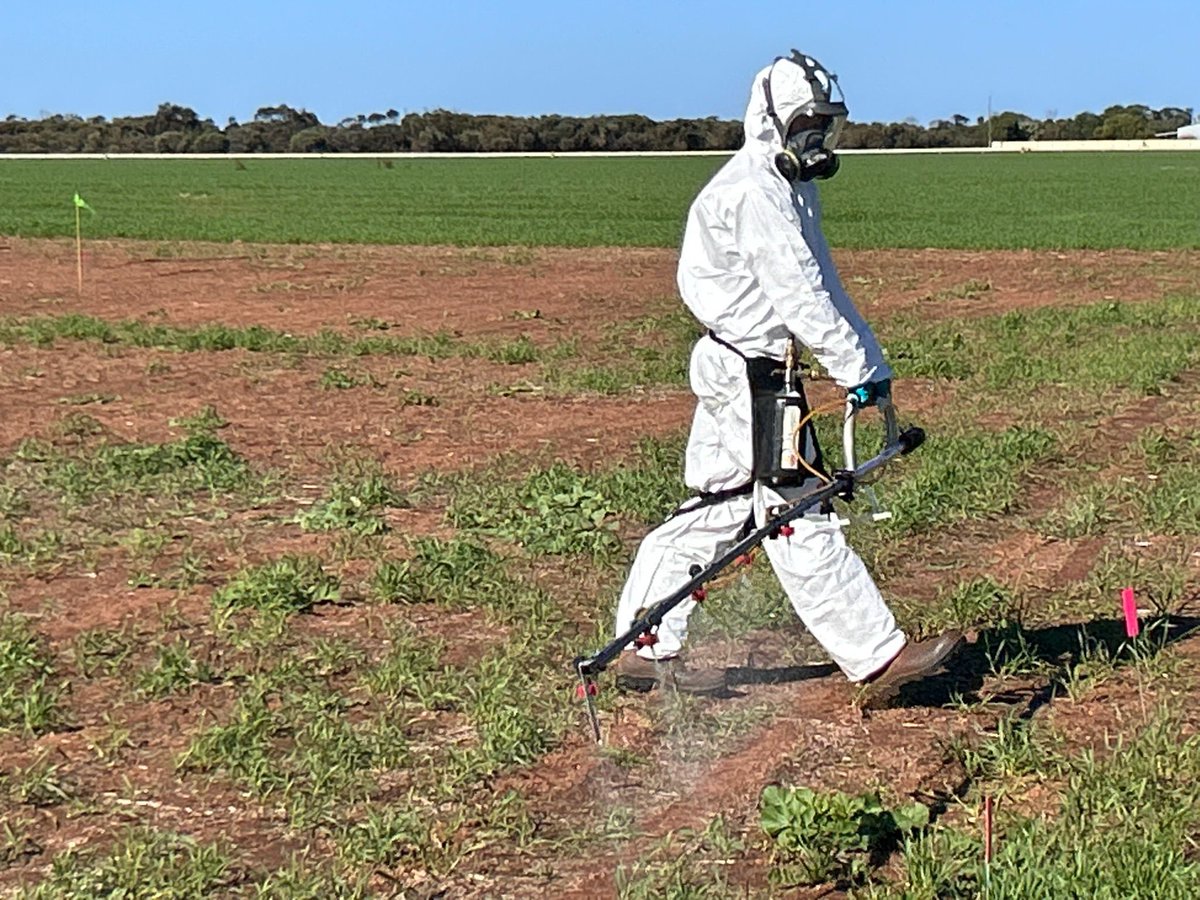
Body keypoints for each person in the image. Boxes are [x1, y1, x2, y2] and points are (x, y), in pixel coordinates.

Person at [612, 50, 962, 699]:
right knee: (800, 508)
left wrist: (870, 366)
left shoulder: (789, 188)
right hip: (752, 375)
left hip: (752, 369)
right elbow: (800, 296)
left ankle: (643, 643)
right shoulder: (754, 192)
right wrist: (856, 367)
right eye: (807, 126)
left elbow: (824, 283)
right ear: (771, 121)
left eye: (824, 128)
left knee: (717, 507)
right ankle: (877, 658)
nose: (816, 141)